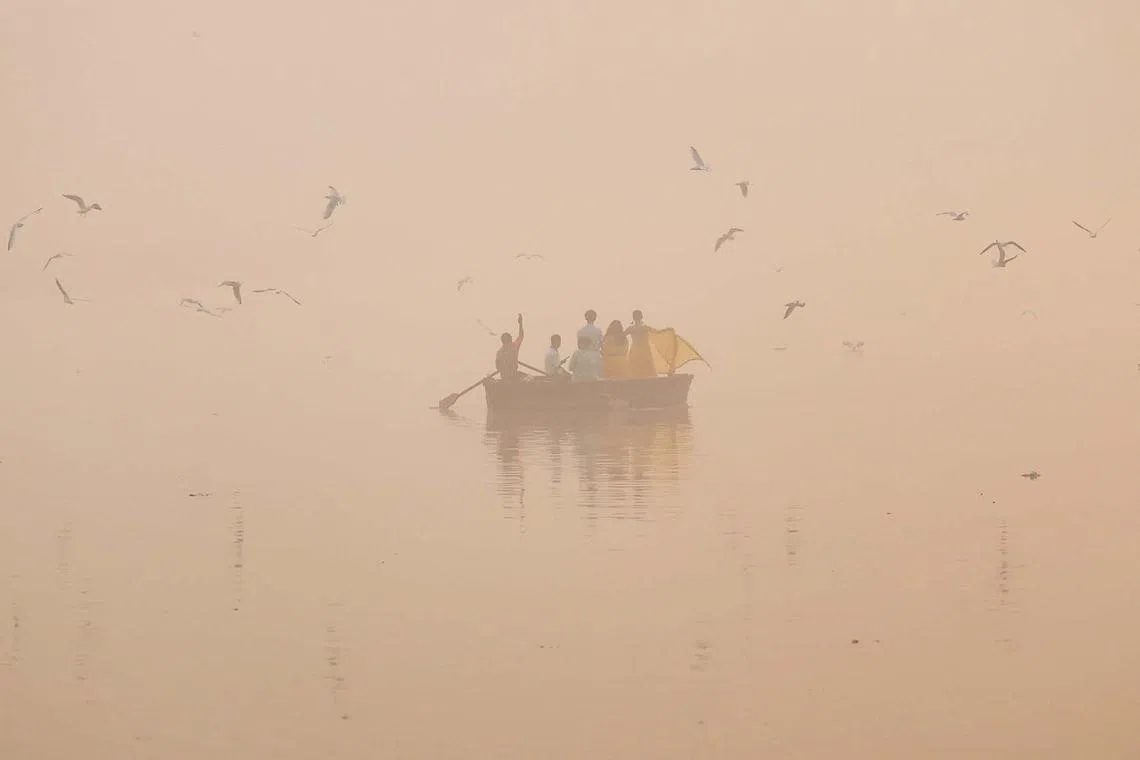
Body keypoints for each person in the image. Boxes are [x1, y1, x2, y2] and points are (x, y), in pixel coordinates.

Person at [625, 309, 656, 379]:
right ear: (642, 317)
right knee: (646, 369)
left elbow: (620, 336)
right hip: (645, 350)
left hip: (635, 350)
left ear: (633, 317)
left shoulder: (630, 328)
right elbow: (658, 333)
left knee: (635, 368)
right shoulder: (646, 328)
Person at [495, 313, 524, 381]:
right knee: (529, 378)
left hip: (504, 377)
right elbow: (521, 336)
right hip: (514, 377)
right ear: (510, 340)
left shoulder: (499, 352)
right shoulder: (514, 347)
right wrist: (520, 324)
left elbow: (498, 367)